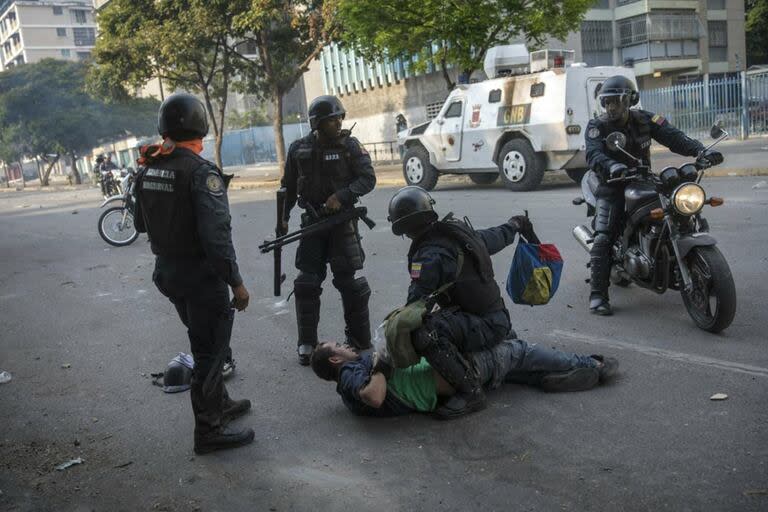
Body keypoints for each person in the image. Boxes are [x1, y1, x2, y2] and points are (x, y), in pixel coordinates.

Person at [133, 92, 254, 455]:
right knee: (210, 352)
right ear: (199, 125)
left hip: (168, 275)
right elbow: (216, 238)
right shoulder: (201, 172)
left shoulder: (148, 168)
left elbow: (140, 223)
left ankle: (222, 403)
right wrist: (237, 282)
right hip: (201, 279)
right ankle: (209, 431)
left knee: (205, 341)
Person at [386, 186, 535, 419]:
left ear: (404, 228)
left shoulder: (428, 257)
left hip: (486, 324)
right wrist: (515, 224)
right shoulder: (461, 234)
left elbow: (414, 307)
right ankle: (498, 340)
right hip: (498, 317)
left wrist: (389, 339)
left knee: (424, 333)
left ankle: (470, 392)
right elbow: (496, 236)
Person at [585, 75, 723, 316]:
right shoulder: (598, 126)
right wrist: (612, 166)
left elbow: (674, 137)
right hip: (612, 183)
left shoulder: (646, 119)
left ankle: (699, 268)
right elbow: (593, 155)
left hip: (643, 178)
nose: (611, 107)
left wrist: (700, 151)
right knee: (604, 236)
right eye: (606, 102)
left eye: (615, 101)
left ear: (629, 100)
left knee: (680, 210)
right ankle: (598, 294)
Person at [281, 95, 377, 365]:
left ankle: (360, 342)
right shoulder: (298, 149)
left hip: (341, 223)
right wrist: (283, 218)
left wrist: (342, 195)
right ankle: (307, 343)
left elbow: (368, 179)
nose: (338, 122)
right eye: (331, 119)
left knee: (350, 284)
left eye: (339, 117)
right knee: (307, 283)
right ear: (317, 123)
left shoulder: (350, 146)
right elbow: (287, 187)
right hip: (312, 224)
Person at [310, 340, 618, 417]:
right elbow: (374, 396)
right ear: (335, 359)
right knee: (516, 350)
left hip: (445, 379)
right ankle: (590, 364)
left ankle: (551, 377)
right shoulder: (350, 373)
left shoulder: (348, 381)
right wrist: (382, 362)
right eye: (338, 346)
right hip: (449, 376)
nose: (346, 345)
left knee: (504, 364)